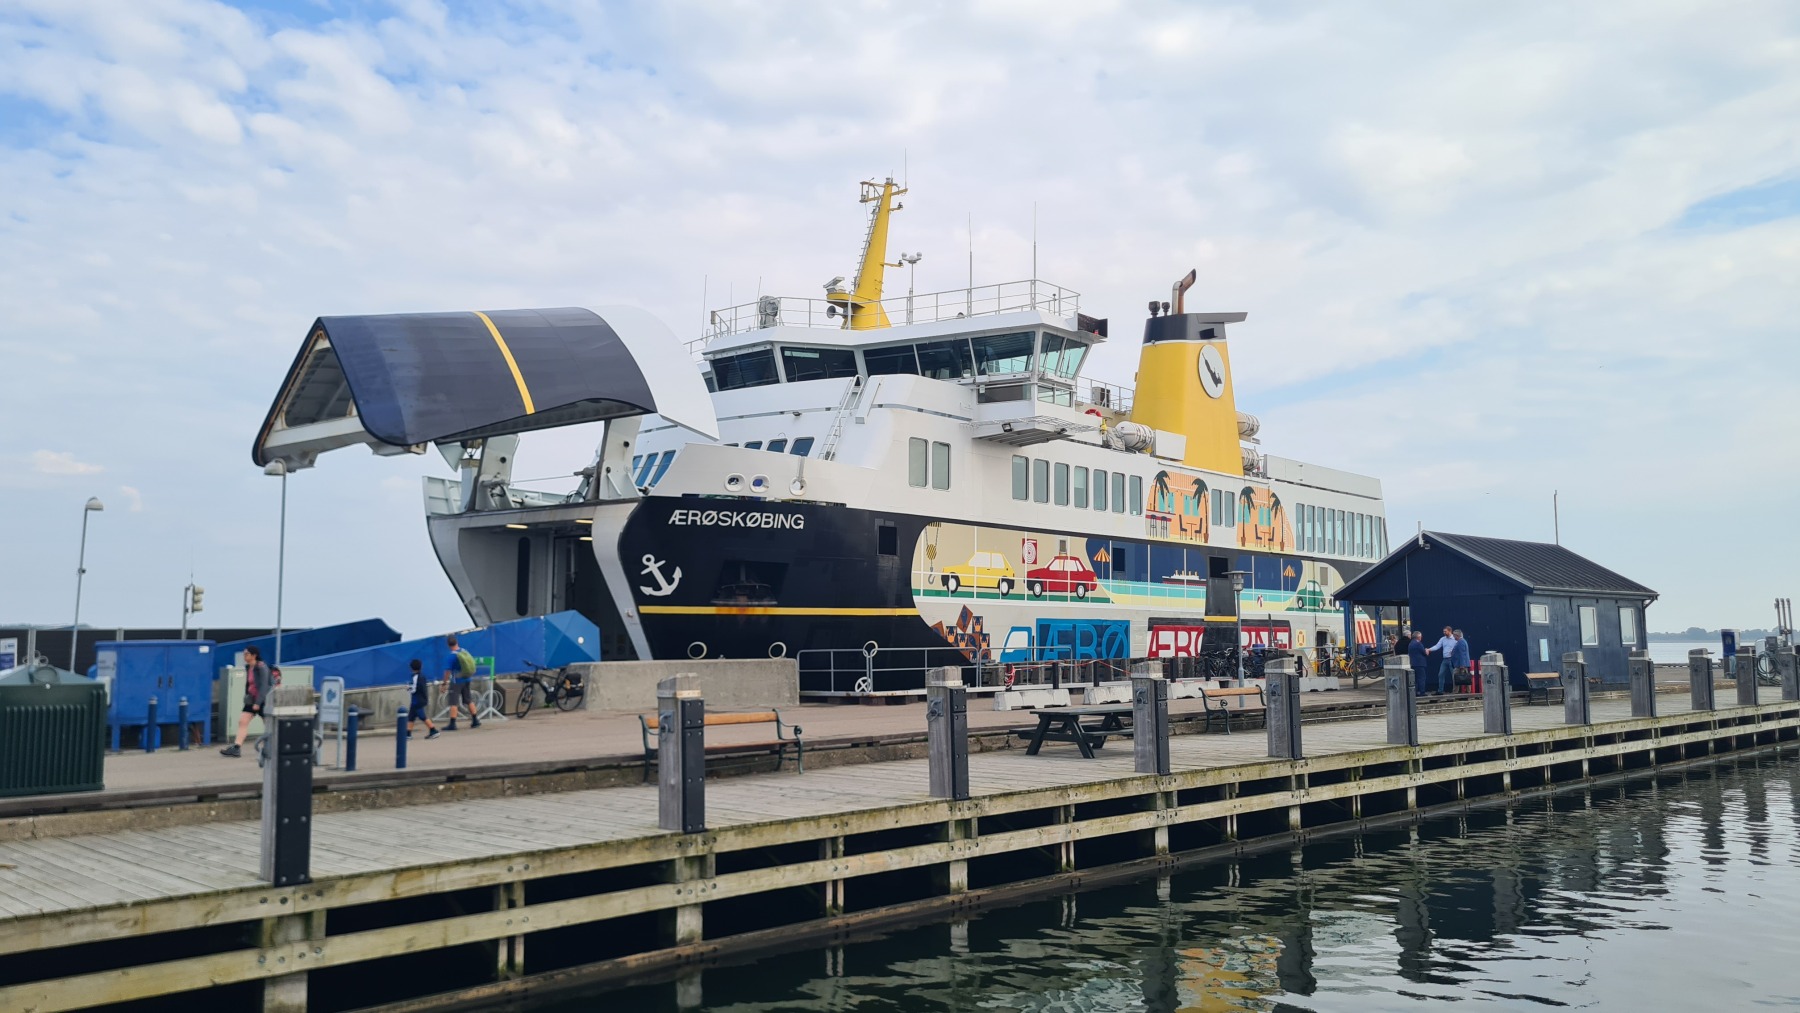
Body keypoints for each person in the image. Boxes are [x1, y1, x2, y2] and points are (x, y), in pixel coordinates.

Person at [219, 645, 269, 757]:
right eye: (244, 654)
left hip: (263, 700)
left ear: (254, 655)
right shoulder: (248, 667)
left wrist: (258, 703)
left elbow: (264, 686)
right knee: (242, 721)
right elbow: (249, 684)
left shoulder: (261, 667)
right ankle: (236, 747)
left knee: (268, 725)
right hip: (251, 699)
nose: (244, 656)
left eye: (247, 654)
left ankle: (271, 747)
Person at [442, 634, 480, 731]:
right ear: (457, 642)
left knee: (453, 702)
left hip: (456, 681)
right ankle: (475, 720)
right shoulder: (464, 651)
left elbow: (447, 671)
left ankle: (452, 724)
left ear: (448, 644)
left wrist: (444, 683)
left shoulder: (451, 656)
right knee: (468, 700)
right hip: (467, 679)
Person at [407, 659, 439, 739]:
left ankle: (433, 730)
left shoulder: (415, 677)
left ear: (411, 668)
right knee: (411, 716)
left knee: (422, 716)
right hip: (421, 698)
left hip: (417, 700)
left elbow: (414, 689)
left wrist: (408, 689)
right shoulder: (422, 676)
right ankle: (408, 733)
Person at [1426, 626, 1457, 695]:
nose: (1444, 632)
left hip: (1452, 659)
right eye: (1443, 631)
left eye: (1445, 631)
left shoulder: (1455, 639)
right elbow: (1437, 646)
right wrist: (1429, 649)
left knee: (1454, 676)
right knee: (1441, 674)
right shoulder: (1443, 639)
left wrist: (1454, 652)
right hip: (1445, 659)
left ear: (1450, 631)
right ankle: (1440, 690)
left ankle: (1455, 691)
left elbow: (1458, 647)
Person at [1408, 631, 1430, 696]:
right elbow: (1425, 653)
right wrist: (1427, 650)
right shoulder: (1419, 644)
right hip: (1420, 664)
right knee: (1421, 678)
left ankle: (1415, 692)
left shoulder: (1410, 644)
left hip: (1412, 663)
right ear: (1419, 637)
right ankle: (1422, 692)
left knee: (1415, 679)